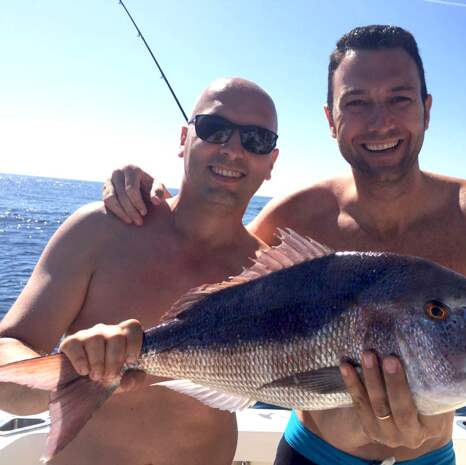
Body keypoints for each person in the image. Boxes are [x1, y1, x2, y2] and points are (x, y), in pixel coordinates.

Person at [102, 26, 466, 465]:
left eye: (399, 98)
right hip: (312, 455)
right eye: (357, 103)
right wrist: (149, 196)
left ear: (426, 108)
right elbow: (209, 288)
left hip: (430, 457)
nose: (381, 121)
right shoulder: (293, 216)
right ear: (331, 120)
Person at [0, 77, 280, 465]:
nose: (233, 149)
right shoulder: (100, 228)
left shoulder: (270, 277)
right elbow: (6, 369)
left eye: (256, 140)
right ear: (184, 138)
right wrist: (75, 366)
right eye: (215, 129)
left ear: (272, 163)